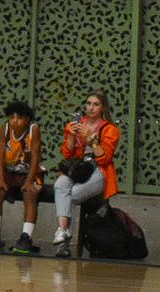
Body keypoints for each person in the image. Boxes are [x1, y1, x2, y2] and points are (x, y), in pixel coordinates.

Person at [53, 90, 121, 257]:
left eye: (96, 104)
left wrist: (92, 139)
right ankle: (63, 231)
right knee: (60, 184)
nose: (91, 108)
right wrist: (71, 135)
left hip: (99, 170)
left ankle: (64, 244)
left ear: (103, 108)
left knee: (73, 194)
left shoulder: (110, 129)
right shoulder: (77, 123)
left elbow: (105, 159)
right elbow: (67, 155)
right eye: (88, 103)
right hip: (79, 168)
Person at [0, 101, 43, 254]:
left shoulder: (33, 129)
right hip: (9, 172)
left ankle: (26, 237)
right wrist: (1, 179)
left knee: (30, 194)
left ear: (28, 119)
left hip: (29, 173)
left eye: (19, 118)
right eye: (12, 118)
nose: (15, 121)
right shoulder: (4, 129)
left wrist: (29, 181)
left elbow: (36, 157)